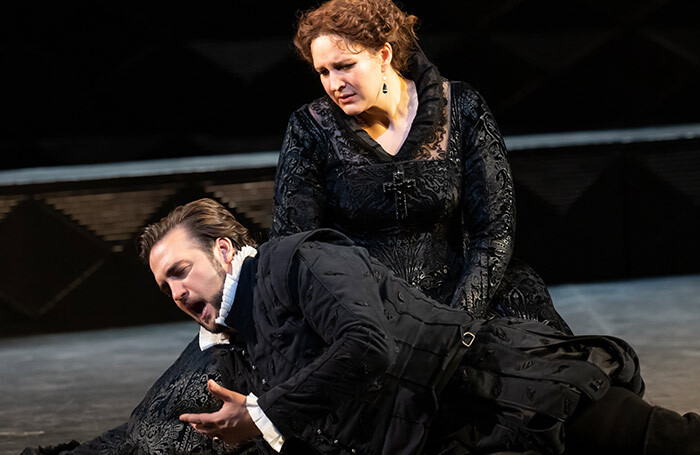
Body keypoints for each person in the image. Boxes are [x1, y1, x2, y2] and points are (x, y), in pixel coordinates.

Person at [137, 198, 697, 455]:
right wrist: (258, 426)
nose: (178, 294)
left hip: (505, 392)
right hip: (442, 435)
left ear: (225, 249)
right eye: (166, 288)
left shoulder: (300, 260)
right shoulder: (235, 351)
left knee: (670, 443)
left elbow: (366, 346)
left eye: (181, 272)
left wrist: (262, 415)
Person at [270, 0, 571, 334]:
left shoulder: (461, 107)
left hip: (460, 296)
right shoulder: (309, 128)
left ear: (383, 55)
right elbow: (296, 245)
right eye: (323, 72)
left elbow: (494, 231)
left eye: (345, 66)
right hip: (365, 309)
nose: (334, 83)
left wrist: (459, 321)